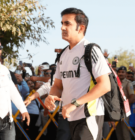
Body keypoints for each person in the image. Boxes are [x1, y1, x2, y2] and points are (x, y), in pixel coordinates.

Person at [44, 8, 111, 140]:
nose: (62, 27)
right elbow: (57, 85)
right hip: (68, 116)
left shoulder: (91, 50)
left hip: (88, 116)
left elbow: (105, 86)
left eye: (67, 23)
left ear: (81, 28)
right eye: (62, 23)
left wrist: (74, 104)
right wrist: (51, 96)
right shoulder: (63, 54)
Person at [0, 37, 30, 140]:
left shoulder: (4, 69)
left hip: (7, 120)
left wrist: (23, 109)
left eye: (0, 47)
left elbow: (12, 91)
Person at [116, 66, 135, 140]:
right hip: (116, 109)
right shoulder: (114, 82)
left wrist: (125, 107)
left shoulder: (128, 83)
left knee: (125, 131)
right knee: (118, 131)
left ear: (125, 73)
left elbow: (132, 97)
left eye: (123, 72)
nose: (121, 74)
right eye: (119, 72)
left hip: (125, 110)